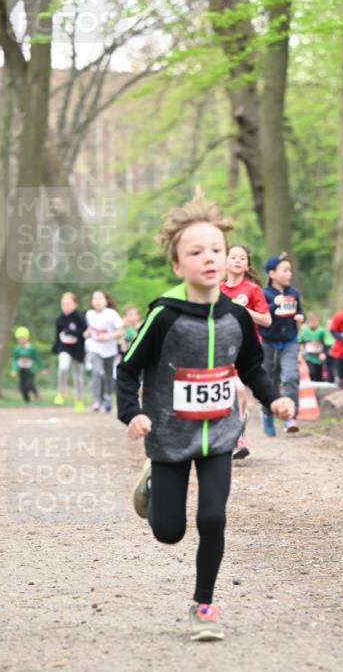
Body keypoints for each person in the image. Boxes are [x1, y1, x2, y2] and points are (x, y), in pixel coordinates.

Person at [116, 188, 293, 642]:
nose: (209, 258)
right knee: (169, 533)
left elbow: (252, 365)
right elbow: (129, 368)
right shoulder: (163, 315)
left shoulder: (236, 315)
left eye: (216, 249)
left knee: (213, 518)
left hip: (219, 434)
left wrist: (272, 397)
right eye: (196, 252)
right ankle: (154, 483)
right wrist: (131, 414)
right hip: (170, 437)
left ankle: (204, 606)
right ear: (178, 265)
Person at [220, 243, 272, 459]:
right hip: (222, 347)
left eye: (242, 258)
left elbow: (267, 320)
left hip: (247, 349)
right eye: (233, 257)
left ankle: (237, 437)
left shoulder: (252, 290)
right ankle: (232, 437)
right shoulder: (217, 289)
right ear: (225, 261)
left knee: (239, 393)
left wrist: (243, 310)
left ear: (248, 265)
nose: (238, 260)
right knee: (236, 391)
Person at [258, 253, 304, 435]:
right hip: (268, 343)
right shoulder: (263, 294)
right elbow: (260, 315)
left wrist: (301, 317)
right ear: (272, 273)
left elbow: (299, 312)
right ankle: (267, 414)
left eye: (290, 270)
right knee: (270, 381)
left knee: (291, 377)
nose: (289, 274)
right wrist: (272, 305)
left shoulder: (293, 293)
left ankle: (290, 417)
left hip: (290, 342)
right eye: (285, 270)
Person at [84, 290, 123, 413]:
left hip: (110, 350)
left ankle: (108, 397)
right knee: (96, 372)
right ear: (92, 302)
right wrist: (87, 332)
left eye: (101, 298)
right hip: (95, 348)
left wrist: (108, 336)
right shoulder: (89, 314)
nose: (98, 301)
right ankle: (96, 400)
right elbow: (91, 327)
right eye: (95, 299)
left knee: (108, 376)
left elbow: (120, 330)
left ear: (106, 301)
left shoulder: (111, 314)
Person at [52, 292, 87, 412]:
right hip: (65, 347)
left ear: (75, 304)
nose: (65, 307)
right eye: (63, 304)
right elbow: (58, 335)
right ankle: (62, 392)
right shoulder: (60, 319)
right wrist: (55, 347)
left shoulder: (79, 317)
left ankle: (79, 400)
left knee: (78, 377)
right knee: (63, 367)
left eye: (68, 304)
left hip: (78, 349)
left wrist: (71, 333)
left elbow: (84, 331)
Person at [10, 326, 44, 402]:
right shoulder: (17, 349)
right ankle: (27, 401)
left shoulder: (32, 349)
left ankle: (35, 392)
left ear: (27, 338)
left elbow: (37, 358)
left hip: (30, 370)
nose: (20, 341)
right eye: (18, 339)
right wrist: (14, 369)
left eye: (22, 339)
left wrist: (42, 368)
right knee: (22, 388)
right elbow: (14, 360)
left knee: (29, 385)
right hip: (22, 370)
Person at [298, 312, 330, 383]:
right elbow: (301, 342)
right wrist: (302, 351)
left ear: (317, 321)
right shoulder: (305, 331)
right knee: (311, 372)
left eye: (314, 321)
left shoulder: (322, 331)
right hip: (309, 357)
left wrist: (324, 353)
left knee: (319, 375)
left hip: (319, 357)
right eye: (311, 321)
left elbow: (327, 343)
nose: (313, 323)